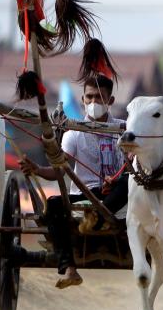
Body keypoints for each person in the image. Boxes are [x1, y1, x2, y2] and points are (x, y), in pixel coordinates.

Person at [20, 74, 129, 289]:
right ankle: (69, 268)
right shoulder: (73, 133)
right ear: (82, 100)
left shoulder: (126, 130)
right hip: (86, 196)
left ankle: (99, 216)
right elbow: (61, 171)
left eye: (99, 97)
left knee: (130, 182)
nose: (94, 102)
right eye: (89, 97)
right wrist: (38, 170)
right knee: (52, 204)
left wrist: (115, 180)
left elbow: (135, 166)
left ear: (111, 101)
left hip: (120, 196)